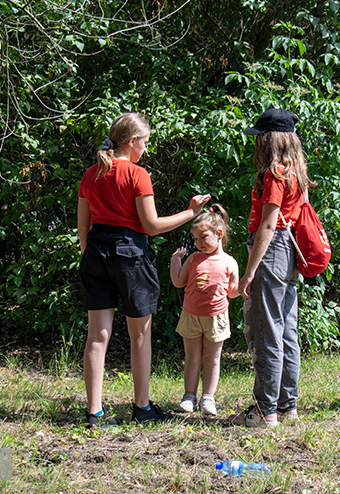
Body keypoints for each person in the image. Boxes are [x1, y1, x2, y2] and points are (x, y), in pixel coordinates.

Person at [77, 112, 211, 427]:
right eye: (145, 143)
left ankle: (95, 413)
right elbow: (150, 226)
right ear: (133, 141)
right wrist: (191, 213)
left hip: (95, 252)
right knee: (140, 335)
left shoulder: (90, 174)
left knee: (97, 335)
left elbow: (83, 229)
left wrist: (93, 257)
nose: (146, 150)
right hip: (130, 255)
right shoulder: (138, 175)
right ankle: (142, 408)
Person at [235, 108, 313, 429]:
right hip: (290, 250)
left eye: (260, 139)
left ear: (269, 141)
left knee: (268, 330)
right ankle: (287, 407)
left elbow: (268, 225)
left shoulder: (275, 175)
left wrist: (250, 271)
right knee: (286, 331)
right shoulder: (296, 172)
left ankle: (264, 411)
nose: (257, 145)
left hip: (272, 249)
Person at [169, 204, 240, 416]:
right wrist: (175, 261)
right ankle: (189, 396)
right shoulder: (193, 258)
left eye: (203, 237)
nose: (198, 243)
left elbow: (233, 292)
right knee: (192, 357)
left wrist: (245, 284)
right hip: (191, 316)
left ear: (219, 234)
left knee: (212, 359)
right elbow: (178, 282)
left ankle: (208, 398)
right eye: (196, 239)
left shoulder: (229, 262)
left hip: (216, 318)